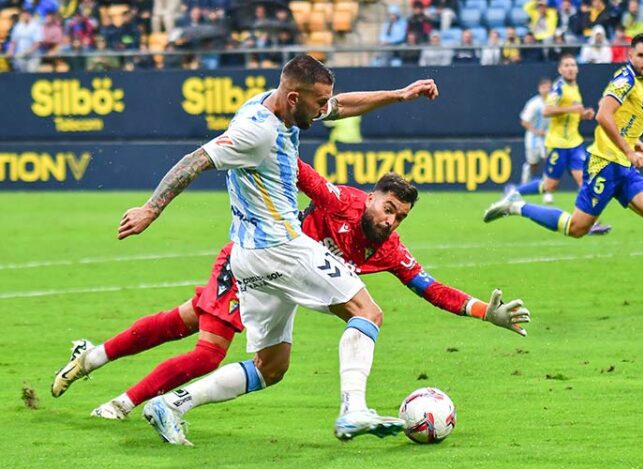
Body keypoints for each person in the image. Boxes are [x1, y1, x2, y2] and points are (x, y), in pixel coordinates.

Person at [111, 55, 467, 446]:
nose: (323, 111)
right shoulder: (255, 131)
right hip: (280, 245)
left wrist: (399, 95)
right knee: (367, 312)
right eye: (318, 104)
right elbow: (196, 160)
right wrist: (151, 209)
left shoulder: (280, 103)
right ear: (294, 97)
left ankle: (172, 405)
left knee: (271, 366)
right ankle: (354, 408)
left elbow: (342, 106)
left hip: (248, 258)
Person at [51, 161, 531, 423]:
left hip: (287, 286)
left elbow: (429, 287)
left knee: (255, 358)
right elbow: (299, 171)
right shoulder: (341, 200)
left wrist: (482, 312)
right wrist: (264, 139)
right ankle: (125, 405)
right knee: (207, 351)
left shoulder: (387, 247)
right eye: (387, 208)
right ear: (370, 197)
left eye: (400, 216)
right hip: (256, 262)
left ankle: (90, 357)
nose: (390, 220)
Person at [483, 34, 643, 306]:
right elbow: (604, 114)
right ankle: (517, 205)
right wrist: (628, 150)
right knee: (577, 227)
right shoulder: (625, 80)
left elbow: (618, 119)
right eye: (642, 56)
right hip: (605, 165)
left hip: (622, 166)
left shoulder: (642, 82)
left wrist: (632, 142)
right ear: (630, 56)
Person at [506, 53, 611, 234]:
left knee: (585, 181)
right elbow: (547, 110)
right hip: (558, 145)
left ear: (577, 68)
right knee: (549, 185)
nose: (570, 68)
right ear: (560, 70)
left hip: (574, 144)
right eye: (566, 66)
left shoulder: (574, 87)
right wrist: (572, 109)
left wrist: (583, 114)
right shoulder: (558, 88)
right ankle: (514, 190)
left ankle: (591, 223)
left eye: (573, 65)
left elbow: (570, 113)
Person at [516, 78, 551, 188]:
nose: (546, 90)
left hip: (548, 137)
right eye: (544, 87)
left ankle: (547, 190)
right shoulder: (534, 103)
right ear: (539, 89)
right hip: (533, 137)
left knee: (549, 161)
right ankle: (524, 183)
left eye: (548, 87)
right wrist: (536, 131)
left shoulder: (555, 103)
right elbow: (524, 121)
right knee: (533, 164)